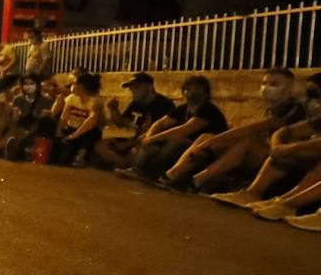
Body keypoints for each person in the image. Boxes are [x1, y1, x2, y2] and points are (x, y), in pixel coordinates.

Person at [161, 68, 308, 193]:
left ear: (289, 88)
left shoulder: (292, 108)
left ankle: (197, 181)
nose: (266, 88)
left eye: (274, 84)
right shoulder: (272, 109)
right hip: (266, 155)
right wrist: (211, 142)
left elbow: (250, 129)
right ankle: (172, 174)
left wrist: (215, 142)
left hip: (284, 161)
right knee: (206, 137)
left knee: (245, 141)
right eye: (264, 83)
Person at [124, 75, 229, 183]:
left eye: (196, 89)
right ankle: (138, 169)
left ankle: (152, 172)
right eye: (188, 88)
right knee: (155, 139)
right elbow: (161, 123)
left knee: (176, 142)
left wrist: (154, 139)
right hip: (190, 149)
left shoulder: (208, 109)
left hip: (206, 150)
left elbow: (185, 129)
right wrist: (150, 137)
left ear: (205, 93)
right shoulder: (184, 108)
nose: (190, 92)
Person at [211, 113, 321, 214]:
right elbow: (285, 131)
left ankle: (287, 203)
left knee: (294, 147)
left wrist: (293, 148)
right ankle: (253, 193)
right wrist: (277, 146)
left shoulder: (293, 109)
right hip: (302, 164)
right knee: (286, 145)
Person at [95, 72, 176, 169]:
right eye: (131, 88)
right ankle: (123, 163)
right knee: (101, 145)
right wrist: (114, 109)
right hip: (136, 141)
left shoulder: (164, 104)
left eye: (136, 87)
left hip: (153, 142)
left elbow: (158, 132)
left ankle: (121, 163)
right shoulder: (136, 103)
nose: (133, 90)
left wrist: (127, 144)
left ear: (149, 87)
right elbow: (121, 123)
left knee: (136, 151)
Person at [52, 72, 103, 166]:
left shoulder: (96, 101)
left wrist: (74, 135)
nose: (72, 86)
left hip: (85, 131)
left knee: (91, 132)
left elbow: (92, 121)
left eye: (75, 83)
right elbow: (64, 117)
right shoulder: (72, 98)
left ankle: (80, 157)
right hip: (72, 128)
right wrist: (59, 131)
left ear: (82, 86)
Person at [2, 72, 56, 160]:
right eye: (26, 84)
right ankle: (7, 147)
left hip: (36, 129)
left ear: (37, 85)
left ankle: (5, 148)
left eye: (31, 83)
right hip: (20, 126)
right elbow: (15, 118)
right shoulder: (18, 99)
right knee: (14, 127)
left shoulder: (46, 100)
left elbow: (47, 118)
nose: (28, 86)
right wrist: (16, 114)